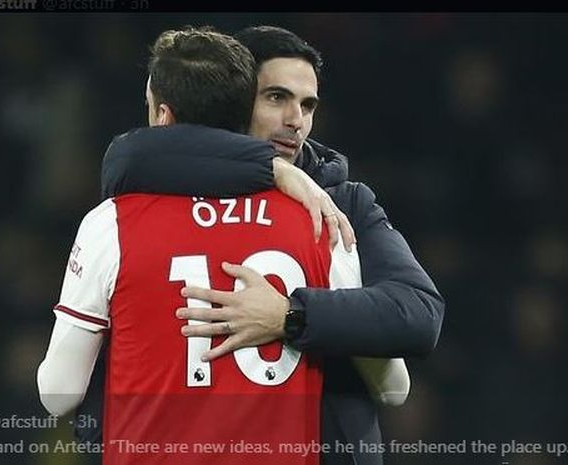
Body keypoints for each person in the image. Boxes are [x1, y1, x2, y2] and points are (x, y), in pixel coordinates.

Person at [37, 26, 394, 465]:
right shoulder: (319, 217)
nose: (296, 119)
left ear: (161, 115)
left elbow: (58, 392)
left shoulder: (111, 223)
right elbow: (394, 385)